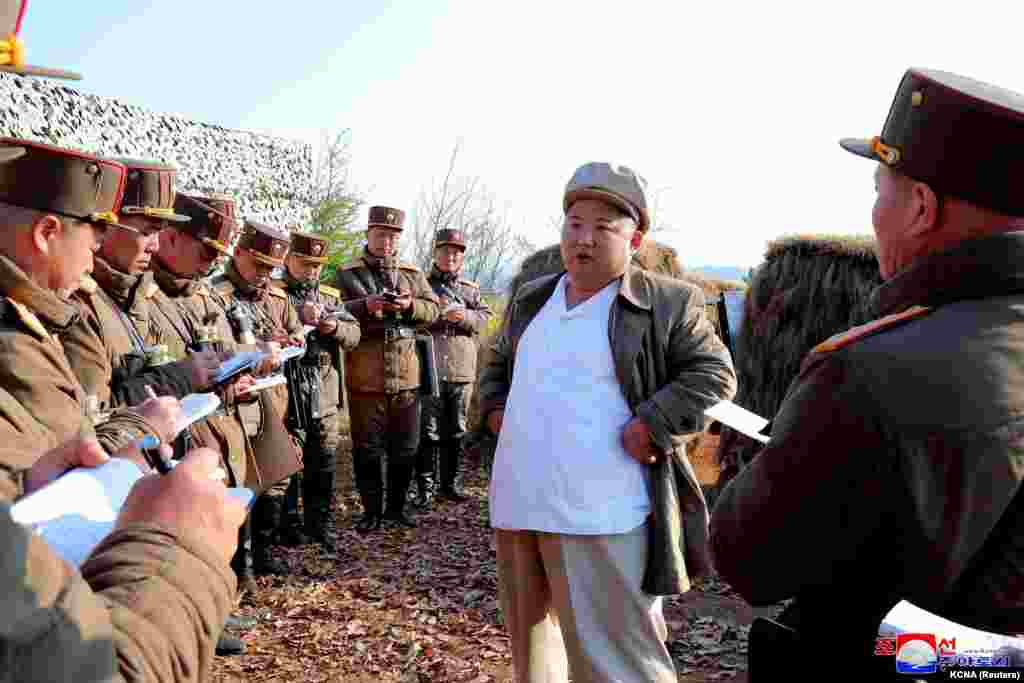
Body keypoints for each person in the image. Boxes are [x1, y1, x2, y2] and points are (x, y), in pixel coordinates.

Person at [710, 68, 1024, 678]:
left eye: (881, 189)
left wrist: (779, 455)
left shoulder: (868, 372)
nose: (874, 211)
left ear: (922, 207)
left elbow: (751, 561)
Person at [479, 162, 737, 682]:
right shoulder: (534, 298)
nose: (585, 239)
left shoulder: (666, 302)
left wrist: (653, 422)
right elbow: (497, 362)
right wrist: (494, 412)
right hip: (520, 502)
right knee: (535, 657)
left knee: (618, 663)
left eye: (604, 227)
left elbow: (714, 376)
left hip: (602, 512)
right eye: (575, 223)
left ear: (635, 237)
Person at [0, 139, 179, 456]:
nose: (89, 265)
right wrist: (143, 426)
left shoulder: (29, 319)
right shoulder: (11, 335)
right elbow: (62, 469)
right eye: (92, 248)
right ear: (46, 234)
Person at [148, 191, 260, 655]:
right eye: (205, 251)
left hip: (211, 431)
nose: (209, 264)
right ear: (171, 238)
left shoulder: (196, 294)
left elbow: (214, 354)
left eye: (217, 255)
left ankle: (214, 609)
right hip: (169, 445)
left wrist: (235, 375)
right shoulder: (147, 298)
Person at [63, 158, 224, 409]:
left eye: (160, 233)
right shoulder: (78, 306)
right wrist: (181, 377)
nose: (156, 246)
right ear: (107, 225)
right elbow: (95, 419)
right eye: (148, 232)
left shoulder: (146, 294)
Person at [335, 206, 440, 531]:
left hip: (407, 374)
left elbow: (433, 310)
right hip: (366, 375)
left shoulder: (412, 272)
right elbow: (332, 308)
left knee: (406, 447)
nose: (386, 241)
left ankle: (396, 508)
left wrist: (410, 306)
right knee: (367, 448)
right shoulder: (347, 272)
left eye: (393, 236)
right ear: (368, 234)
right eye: (380, 234)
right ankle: (371, 512)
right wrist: (364, 306)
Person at [210, 221, 303, 575]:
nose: (265, 275)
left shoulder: (277, 298)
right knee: (240, 480)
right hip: (236, 404)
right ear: (240, 253)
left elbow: (298, 333)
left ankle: (262, 554)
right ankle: (238, 566)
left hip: (273, 401)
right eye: (259, 265)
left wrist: (291, 340)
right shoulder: (216, 295)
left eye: (271, 269)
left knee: (274, 476)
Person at [275, 230, 360, 557]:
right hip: (288, 388)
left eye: (316, 265)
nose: (311, 270)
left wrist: (333, 327)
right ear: (288, 260)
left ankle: (318, 525)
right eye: (304, 263)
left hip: (324, 390)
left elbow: (354, 333)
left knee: (323, 461)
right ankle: (288, 525)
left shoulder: (331, 297)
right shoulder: (276, 294)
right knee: (289, 461)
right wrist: (298, 320)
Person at [411, 228, 492, 507]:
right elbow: (411, 315)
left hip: (461, 368)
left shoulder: (470, 289)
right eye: (445, 251)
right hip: (429, 365)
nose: (451, 257)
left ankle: (451, 484)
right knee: (428, 430)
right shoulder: (422, 285)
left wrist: (466, 315)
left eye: (456, 252)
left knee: (457, 429)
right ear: (435, 253)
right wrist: (435, 313)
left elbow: (485, 318)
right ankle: (426, 486)